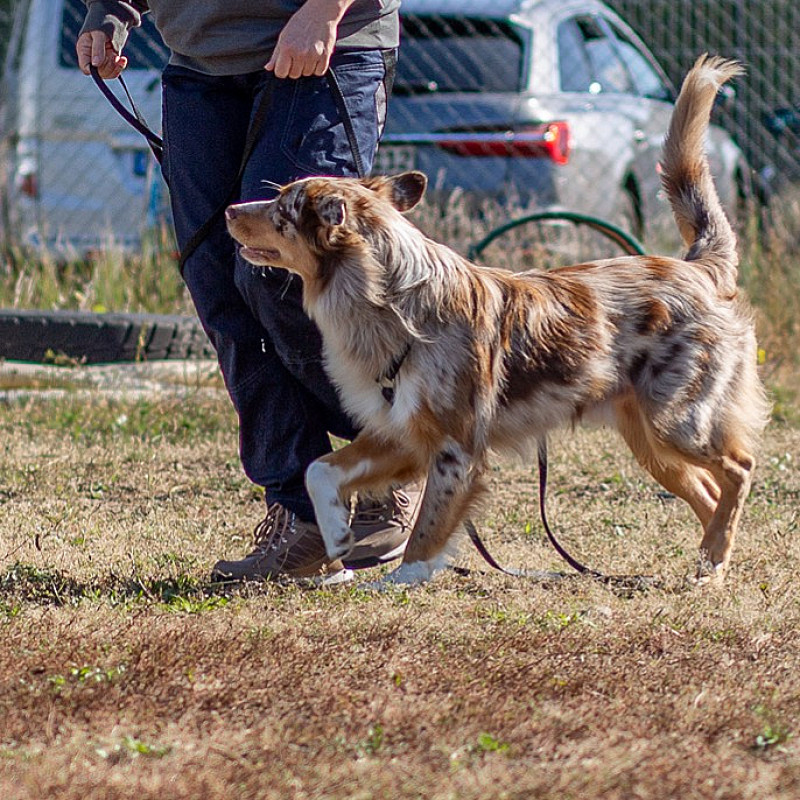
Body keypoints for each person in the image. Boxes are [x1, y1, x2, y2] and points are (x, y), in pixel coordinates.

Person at [77, 0, 419, 583]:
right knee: (218, 285)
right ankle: (304, 518)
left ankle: (396, 452)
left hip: (326, 47)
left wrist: (323, 12)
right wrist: (108, 12)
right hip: (201, 63)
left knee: (277, 271)